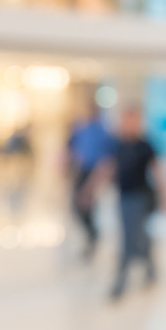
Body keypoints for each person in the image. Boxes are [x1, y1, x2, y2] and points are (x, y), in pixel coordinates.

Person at [86, 107, 166, 301]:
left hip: (140, 198)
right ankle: (149, 263)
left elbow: (158, 172)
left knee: (129, 238)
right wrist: (91, 189)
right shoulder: (117, 144)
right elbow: (106, 168)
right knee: (136, 236)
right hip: (123, 197)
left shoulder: (145, 145)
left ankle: (121, 279)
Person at [66, 105, 115, 261]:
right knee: (77, 208)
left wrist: (96, 182)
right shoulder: (81, 129)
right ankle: (91, 235)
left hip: (93, 172)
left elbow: (106, 159)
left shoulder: (102, 132)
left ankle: (93, 237)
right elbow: (71, 149)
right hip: (82, 171)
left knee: (88, 206)